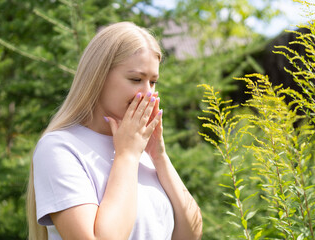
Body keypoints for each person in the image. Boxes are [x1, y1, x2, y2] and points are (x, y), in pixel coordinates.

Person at [26, 21, 203, 240]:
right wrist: (127, 156)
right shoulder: (60, 148)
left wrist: (159, 157)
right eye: (136, 79)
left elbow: (190, 234)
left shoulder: (140, 147)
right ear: (98, 77)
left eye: (153, 82)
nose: (148, 93)